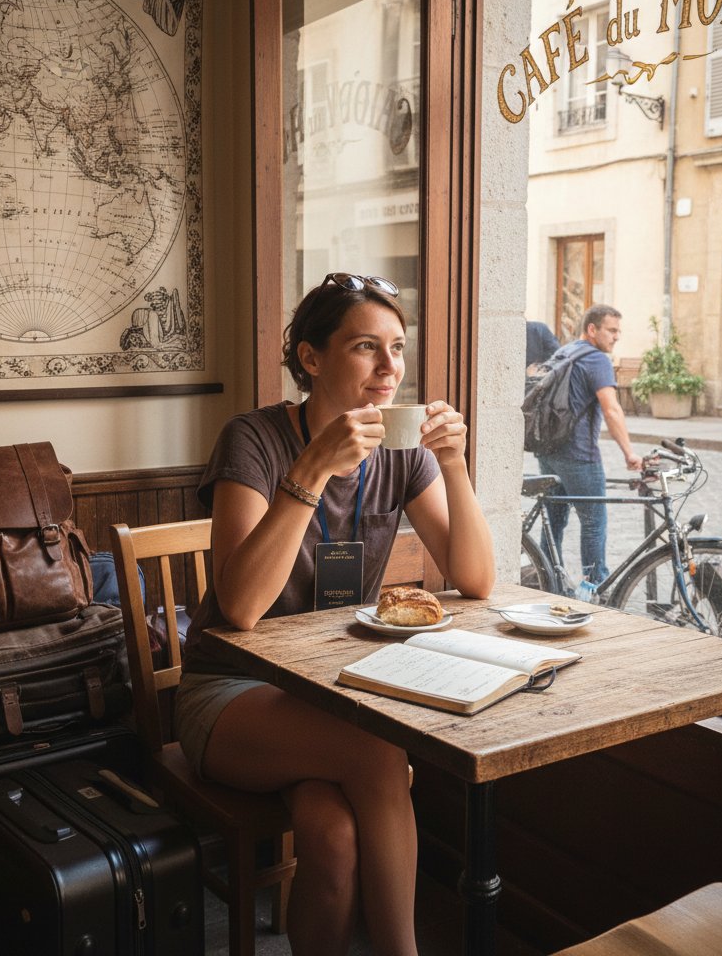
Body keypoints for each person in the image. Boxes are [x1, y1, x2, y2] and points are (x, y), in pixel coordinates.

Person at [176, 271, 495, 955]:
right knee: (382, 750)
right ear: (311, 359)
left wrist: (455, 464)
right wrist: (311, 471)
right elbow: (240, 607)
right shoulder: (254, 440)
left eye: (398, 349)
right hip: (228, 693)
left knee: (335, 837)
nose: (390, 369)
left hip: (327, 697)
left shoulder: (401, 454)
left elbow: (475, 578)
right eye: (364, 348)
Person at [537, 304, 642, 586]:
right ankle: (594, 588)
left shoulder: (564, 352)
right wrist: (630, 453)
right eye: (611, 330)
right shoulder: (597, 360)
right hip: (580, 456)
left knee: (554, 524)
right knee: (594, 523)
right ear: (592, 329)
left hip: (549, 451)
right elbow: (612, 410)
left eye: (619, 331)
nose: (616, 336)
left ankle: (549, 583)